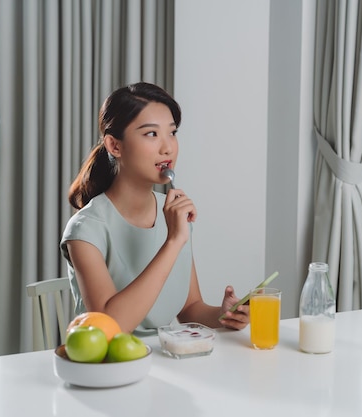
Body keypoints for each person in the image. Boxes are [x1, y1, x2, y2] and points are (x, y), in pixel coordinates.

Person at [60, 82, 249, 335]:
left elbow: (190, 308)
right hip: (108, 366)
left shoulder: (173, 213)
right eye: (151, 134)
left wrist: (222, 314)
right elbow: (110, 328)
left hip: (165, 358)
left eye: (172, 132)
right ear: (114, 146)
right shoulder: (85, 229)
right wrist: (173, 242)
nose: (167, 147)